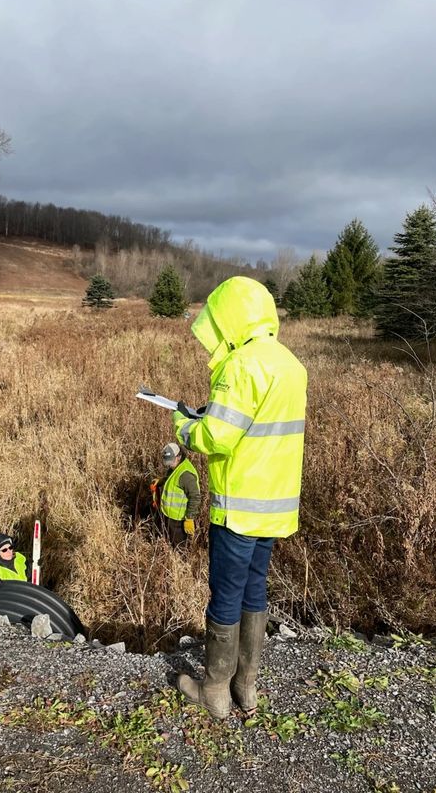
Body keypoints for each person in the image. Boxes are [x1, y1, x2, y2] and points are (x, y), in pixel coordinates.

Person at [173, 276, 307, 720]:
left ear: (229, 316)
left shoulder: (240, 366)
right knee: (254, 590)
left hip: (239, 506)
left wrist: (184, 425)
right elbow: (259, 427)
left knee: (225, 594)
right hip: (275, 504)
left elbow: (217, 438)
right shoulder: (289, 364)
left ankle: (213, 691)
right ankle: (246, 688)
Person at [152, 442, 200, 547]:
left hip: (179, 521)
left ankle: (180, 563)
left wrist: (189, 518)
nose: (169, 464)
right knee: (167, 543)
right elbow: (173, 480)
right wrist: (161, 481)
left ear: (179, 456)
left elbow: (195, 497)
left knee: (179, 549)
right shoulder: (174, 467)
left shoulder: (186, 475)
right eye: (167, 462)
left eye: (171, 461)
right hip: (168, 516)